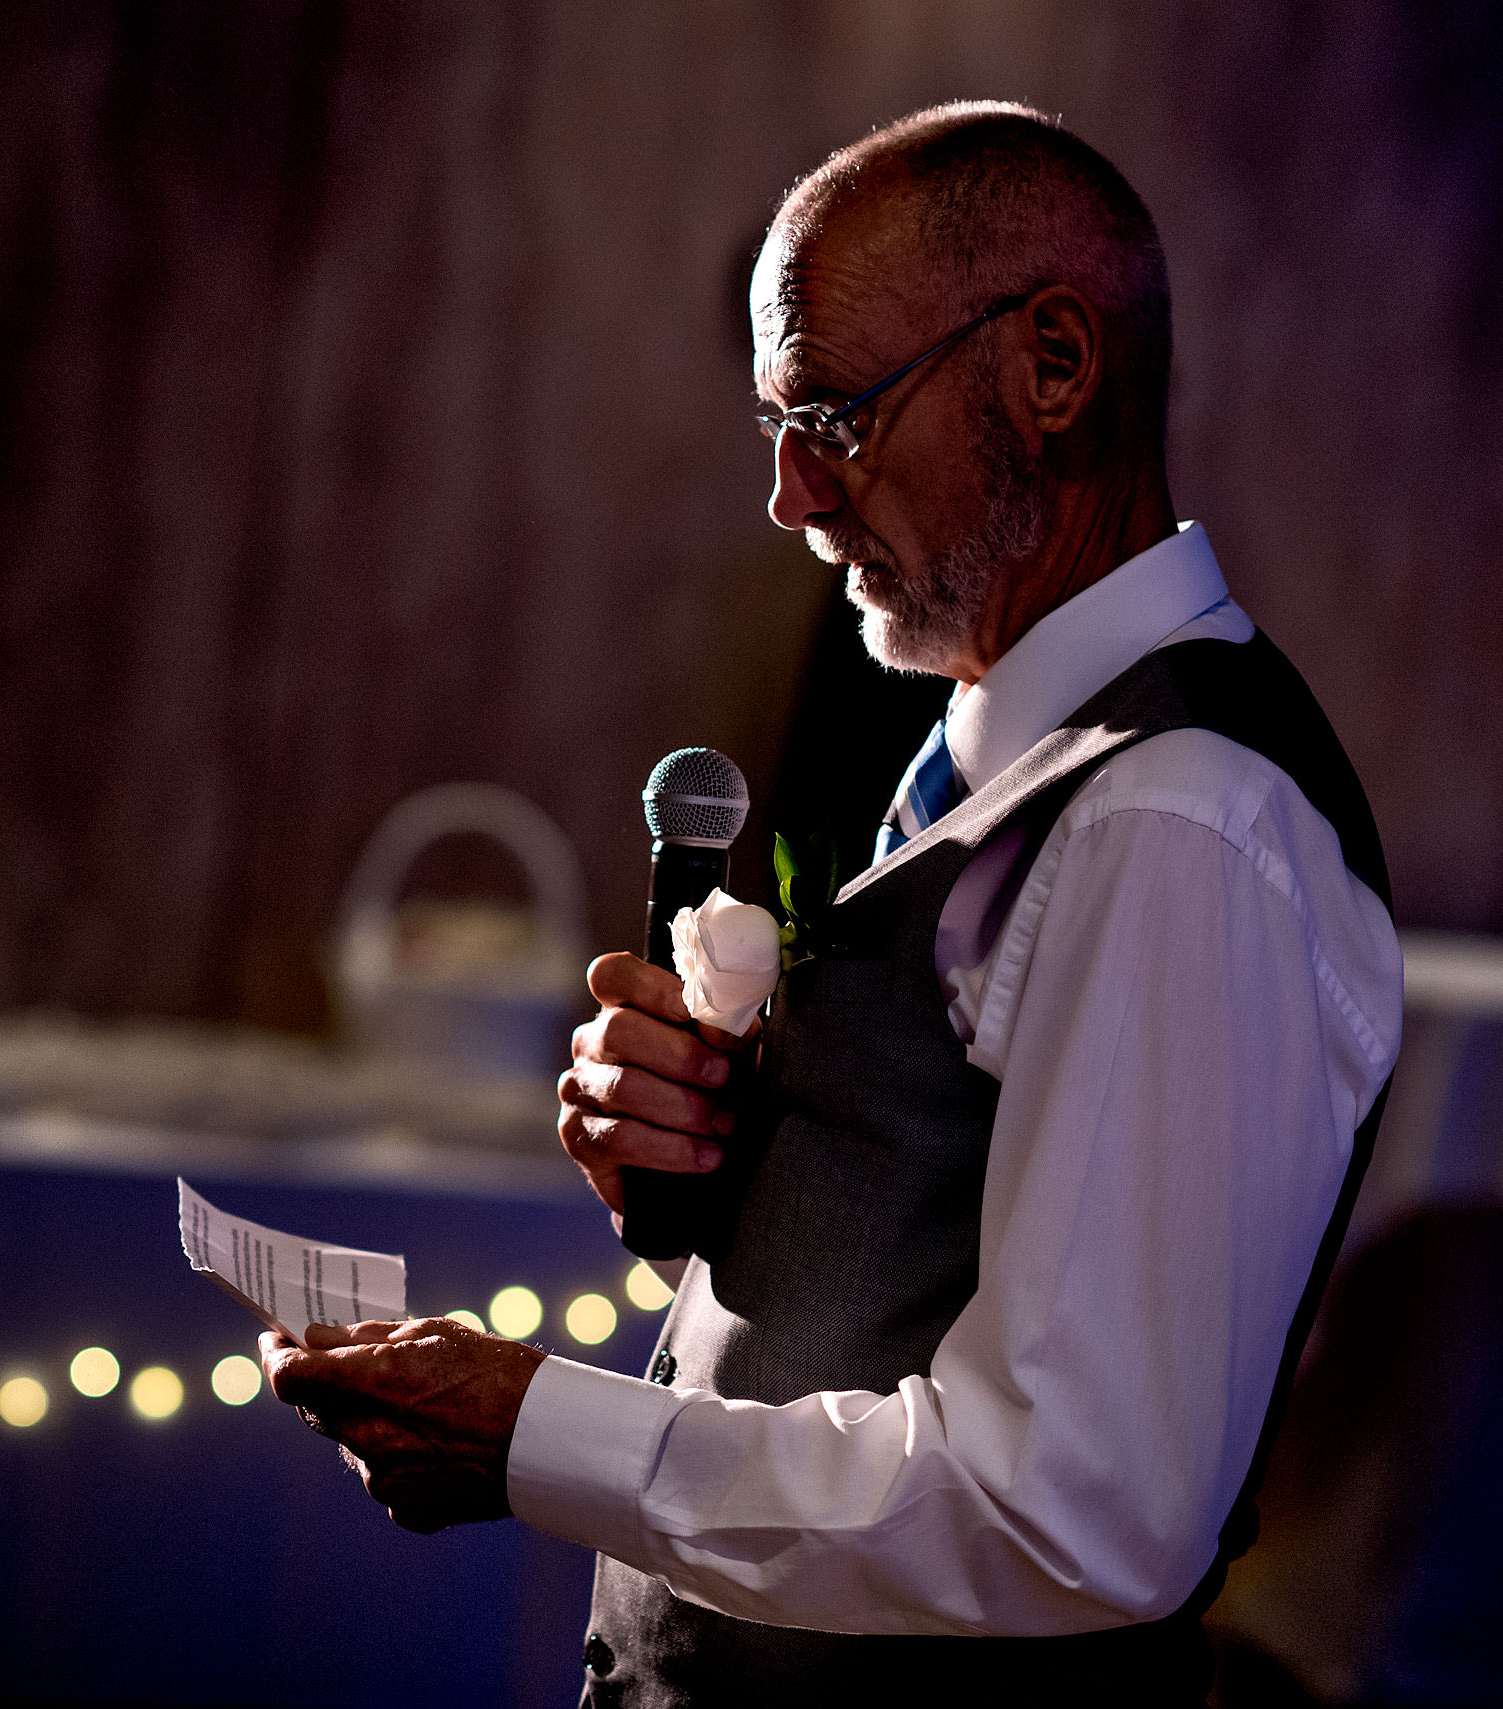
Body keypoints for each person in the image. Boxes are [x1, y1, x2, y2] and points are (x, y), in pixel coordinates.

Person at [261, 102, 1402, 1704]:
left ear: (1055, 365)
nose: (792, 497)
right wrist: (722, 1193)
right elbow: (930, 1269)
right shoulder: (995, 754)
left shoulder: (1182, 821)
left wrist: (539, 1431)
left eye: (836, 415)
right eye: (776, 429)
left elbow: (1065, 1511)